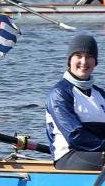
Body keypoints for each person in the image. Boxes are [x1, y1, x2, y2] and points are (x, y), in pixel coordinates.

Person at [45, 35, 105, 170]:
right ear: (69, 60)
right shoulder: (59, 93)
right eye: (78, 55)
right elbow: (75, 136)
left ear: (95, 62)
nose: (84, 62)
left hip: (98, 154)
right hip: (69, 157)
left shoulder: (100, 94)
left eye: (89, 56)